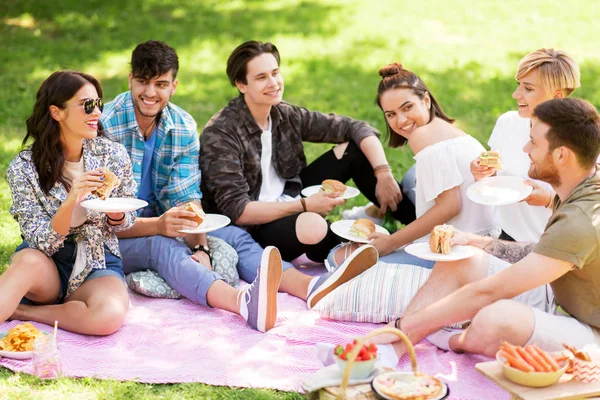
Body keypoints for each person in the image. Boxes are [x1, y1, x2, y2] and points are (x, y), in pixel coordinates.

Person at [101, 40, 375, 332]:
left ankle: (312, 287)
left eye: (161, 83)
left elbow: (187, 199)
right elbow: (97, 216)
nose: (151, 93)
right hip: (112, 233)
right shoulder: (105, 124)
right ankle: (242, 302)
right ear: (130, 79)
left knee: (235, 237)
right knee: (162, 246)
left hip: (169, 221)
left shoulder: (180, 125)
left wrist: (202, 248)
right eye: (143, 82)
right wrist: (159, 226)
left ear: (174, 85)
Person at [374, 98, 600, 357]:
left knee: (497, 318)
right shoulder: (581, 180)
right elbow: (544, 252)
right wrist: (475, 241)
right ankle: (395, 348)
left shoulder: (580, 219)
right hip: (557, 296)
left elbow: (490, 291)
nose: (526, 148)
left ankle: (452, 340)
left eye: (534, 142)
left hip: (589, 330)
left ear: (561, 155)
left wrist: (403, 324)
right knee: (461, 259)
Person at [200, 40, 415, 264]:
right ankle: (350, 246)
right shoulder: (221, 133)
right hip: (255, 227)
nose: (273, 83)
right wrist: (305, 206)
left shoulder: (284, 115)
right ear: (241, 84)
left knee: (354, 150)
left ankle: (420, 224)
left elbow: (356, 128)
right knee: (314, 226)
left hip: (292, 197)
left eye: (275, 73)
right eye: (261, 77)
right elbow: (239, 210)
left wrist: (383, 173)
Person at [0, 71, 136, 335]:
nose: (96, 112)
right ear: (56, 112)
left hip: (98, 260)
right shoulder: (24, 168)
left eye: (99, 104)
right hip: (47, 261)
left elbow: (126, 221)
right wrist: (71, 201)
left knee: (108, 317)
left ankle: (20, 311)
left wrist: (117, 213)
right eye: (87, 105)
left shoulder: (113, 155)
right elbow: (39, 240)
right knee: (26, 262)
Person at [327, 63, 497, 270]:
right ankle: (376, 214)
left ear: (426, 100)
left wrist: (392, 242)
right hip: (483, 241)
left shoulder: (422, 136)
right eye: (391, 114)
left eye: (407, 107)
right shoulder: (449, 130)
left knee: (335, 257)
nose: (402, 120)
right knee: (411, 177)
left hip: (454, 254)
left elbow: (450, 206)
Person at [471, 49, 581, 242]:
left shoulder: (580, 142)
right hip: (506, 237)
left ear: (556, 96)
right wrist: (484, 172)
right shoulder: (508, 122)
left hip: (552, 247)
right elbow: (498, 175)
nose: (515, 94)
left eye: (528, 89)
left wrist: (548, 201)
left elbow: (589, 210)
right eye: (518, 85)